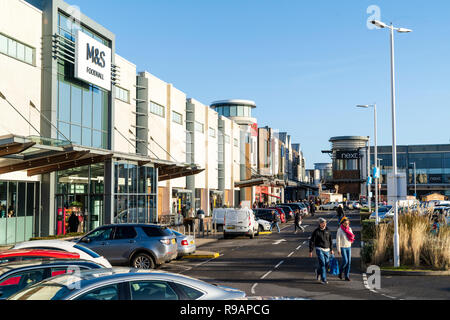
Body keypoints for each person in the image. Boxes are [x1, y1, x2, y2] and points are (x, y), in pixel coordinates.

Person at [309, 218, 333, 284]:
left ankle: (318, 272)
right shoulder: (316, 231)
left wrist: (331, 249)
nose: (324, 224)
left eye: (325, 223)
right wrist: (310, 250)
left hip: (327, 249)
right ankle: (324, 279)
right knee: (322, 263)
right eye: (322, 223)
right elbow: (312, 241)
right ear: (319, 224)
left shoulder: (328, 230)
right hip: (319, 249)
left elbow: (330, 240)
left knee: (326, 264)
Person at [336, 217, 355, 281]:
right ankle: (340, 272)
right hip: (342, 247)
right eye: (345, 223)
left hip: (348, 247)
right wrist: (338, 249)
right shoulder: (340, 230)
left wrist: (351, 239)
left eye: (347, 223)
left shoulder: (349, 229)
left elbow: (352, 235)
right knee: (345, 261)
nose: (346, 224)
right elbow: (338, 240)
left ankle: (346, 276)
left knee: (349, 262)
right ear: (342, 223)